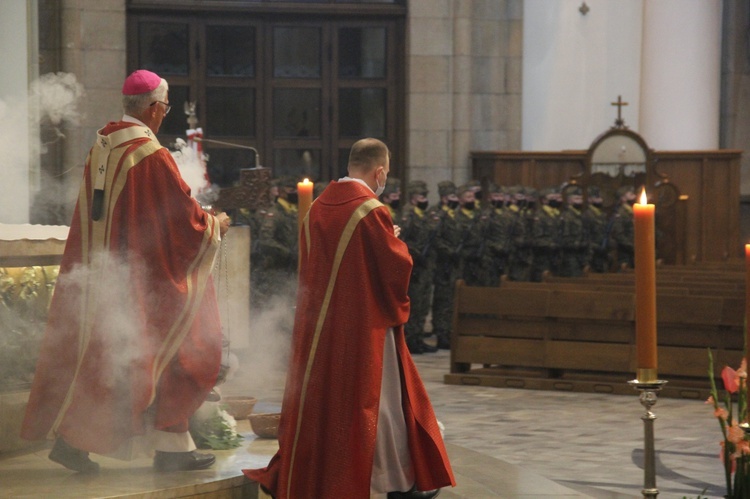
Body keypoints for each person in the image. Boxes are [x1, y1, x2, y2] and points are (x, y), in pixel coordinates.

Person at [21, 69, 231, 473]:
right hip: (141, 276)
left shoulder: (105, 143)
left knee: (101, 356)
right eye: (165, 107)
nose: (165, 114)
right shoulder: (149, 154)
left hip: (100, 269)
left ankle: (73, 441)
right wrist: (213, 225)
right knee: (181, 347)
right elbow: (180, 220)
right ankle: (171, 448)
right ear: (153, 108)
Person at [244, 138, 454, 498]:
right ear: (380, 172)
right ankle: (393, 479)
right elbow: (394, 268)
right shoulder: (371, 210)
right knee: (381, 404)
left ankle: (329, 472)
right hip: (363, 325)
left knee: (329, 403)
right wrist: (397, 241)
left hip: (321, 327)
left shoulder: (320, 205)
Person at [400, 180, 438, 354]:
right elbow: (403, 241)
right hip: (414, 265)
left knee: (423, 303)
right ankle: (409, 339)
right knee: (414, 303)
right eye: (422, 196)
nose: (425, 199)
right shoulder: (408, 215)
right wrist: (416, 254)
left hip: (425, 266)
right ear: (414, 198)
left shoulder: (423, 215)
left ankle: (418, 337)